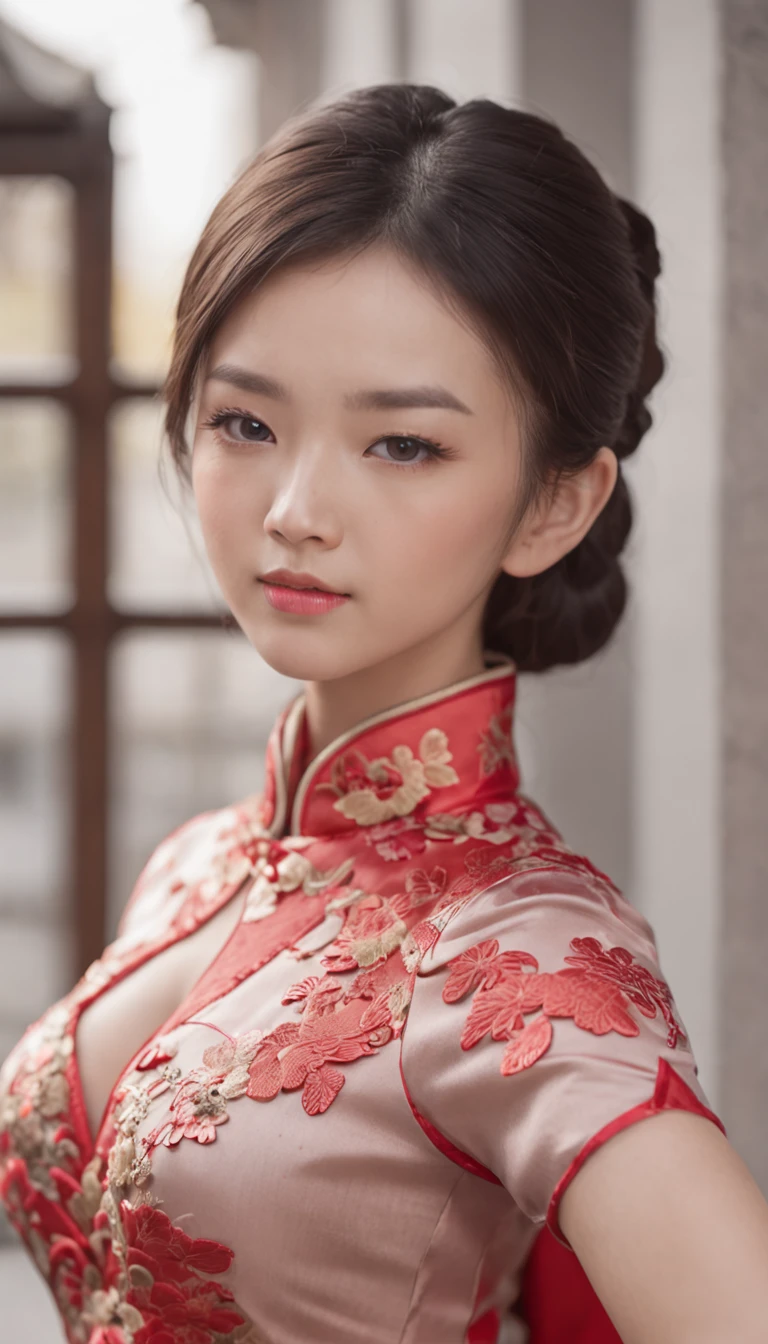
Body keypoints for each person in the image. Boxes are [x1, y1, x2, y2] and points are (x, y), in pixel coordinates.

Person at [1, 81, 767, 1344]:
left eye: (402, 444)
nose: (295, 505)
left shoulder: (521, 957)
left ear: (555, 504)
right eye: (245, 422)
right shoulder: (198, 864)